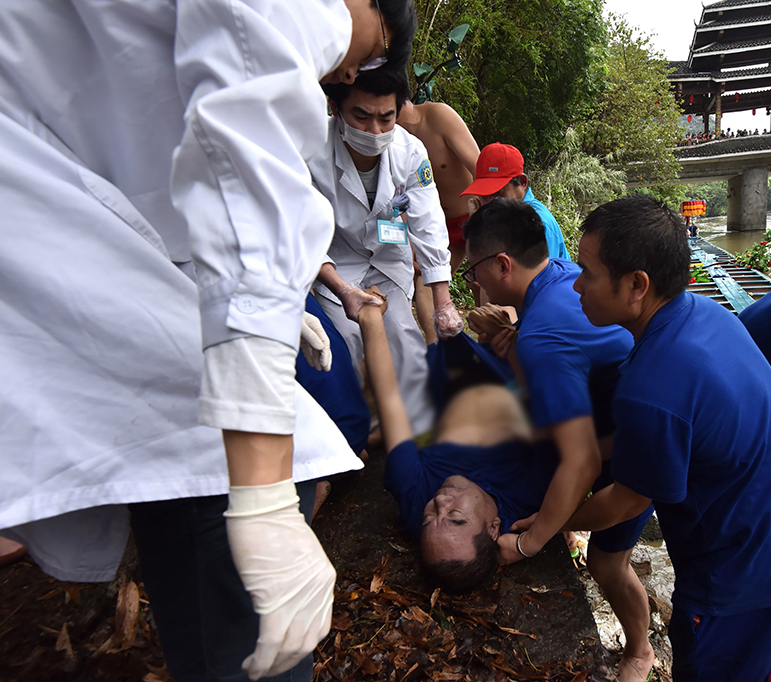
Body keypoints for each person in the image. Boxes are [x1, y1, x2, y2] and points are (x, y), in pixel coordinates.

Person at [0, 1, 416, 680]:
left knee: (186, 472)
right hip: (79, 248)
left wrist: (256, 298)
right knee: (223, 474)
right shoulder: (305, 11)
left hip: (129, 263)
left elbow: (184, 172)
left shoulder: (406, 154)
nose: (351, 70)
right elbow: (245, 185)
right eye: (372, 50)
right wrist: (265, 498)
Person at [563, 195, 771, 681]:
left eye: (587, 273)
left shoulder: (652, 384)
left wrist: (554, 521)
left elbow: (626, 502)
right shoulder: (704, 313)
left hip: (739, 573)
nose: (577, 285)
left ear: (637, 285)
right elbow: (673, 431)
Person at [462, 199, 657, 682]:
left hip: (638, 445)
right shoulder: (562, 276)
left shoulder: (542, 331)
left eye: (472, 271)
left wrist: (529, 543)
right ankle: (568, 529)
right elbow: (552, 393)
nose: (473, 284)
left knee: (606, 563)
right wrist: (512, 348)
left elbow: (581, 458)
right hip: (612, 425)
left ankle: (641, 650)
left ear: (502, 265)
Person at [354, 288, 556, 593]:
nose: (439, 502)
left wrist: (369, 318)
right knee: (506, 313)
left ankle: (430, 308)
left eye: (429, 518)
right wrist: (511, 342)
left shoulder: (414, 493)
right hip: (514, 388)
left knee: (437, 343)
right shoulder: (532, 495)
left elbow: (390, 400)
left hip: (443, 397)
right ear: (494, 528)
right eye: (455, 516)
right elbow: (552, 408)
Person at [312, 69, 461, 437]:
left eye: (386, 117)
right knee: (345, 340)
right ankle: (354, 432)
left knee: (402, 336)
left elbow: (428, 223)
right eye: (362, 116)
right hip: (335, 260)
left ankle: (414, 429)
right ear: (335, 108)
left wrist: (442, 302)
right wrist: (341, 288)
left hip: (388, 257)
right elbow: (299, 232)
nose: (375, 130)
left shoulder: (410, 152)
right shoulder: (310, 150)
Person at [397, 99, 480, 270]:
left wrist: (486, 222)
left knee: (487, 280)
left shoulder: (438, 116)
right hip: (430, 227)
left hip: (471, 218)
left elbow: (478, 168)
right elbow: (397, 197)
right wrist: (408, 247)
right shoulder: (391, 139)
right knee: (424, 279)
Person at [461, 143, 571, 260]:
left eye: (497, 193)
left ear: (522, 182)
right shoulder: (499, 218)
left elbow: (544, 273)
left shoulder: (538, 224)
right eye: (484, 193)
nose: (489, 202)